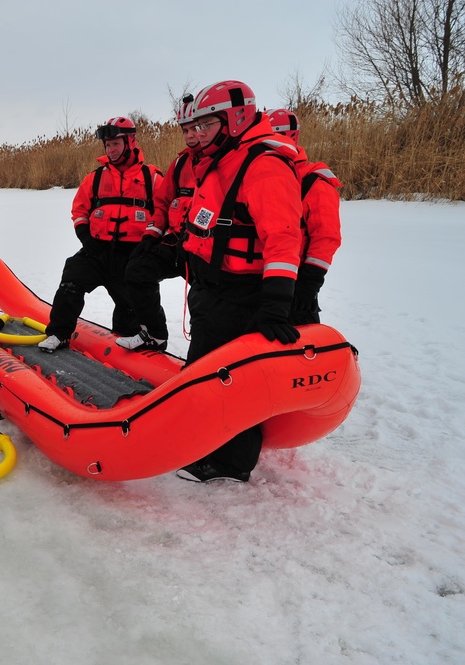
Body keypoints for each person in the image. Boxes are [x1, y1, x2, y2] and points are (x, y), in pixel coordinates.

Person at [172, 80, 304, 483]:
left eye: (208, 125)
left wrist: (276, 303)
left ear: (234, 119)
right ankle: (208, 444)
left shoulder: (262, 165)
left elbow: (282, 238)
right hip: (214, 292)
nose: (200, 134)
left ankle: (229, 463)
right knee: (205, 372)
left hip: (241, 295)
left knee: (229, 379)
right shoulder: (224, 160)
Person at [37, 117, 165, 353]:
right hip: (97, 249)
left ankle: (134, 344)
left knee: (132, 304)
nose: (111, 149)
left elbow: (164, 212)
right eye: (107, 145)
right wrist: (85, 237)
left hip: (133, 254)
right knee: (71, 280)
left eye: (115, 143)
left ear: (130, 142)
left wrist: (150, 242)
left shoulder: (153, 178)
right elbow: (79, 210)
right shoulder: (94, 178)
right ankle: (59, 334)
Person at [117, 98, 200, 349]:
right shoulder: (180, 164)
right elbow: (163, 203)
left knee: (203, 303)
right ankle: (154, 334)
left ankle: (206, 352)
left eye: (195, 128)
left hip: (206, 249)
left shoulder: (225, 165)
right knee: (137, 271)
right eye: (185, 130)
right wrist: (151, 235)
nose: (190, 136)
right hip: (176, 243)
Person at [266, 108, 343, 324]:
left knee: (299, 346)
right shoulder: (262, 178)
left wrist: (309, 283)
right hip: (262, 280)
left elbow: (326, 237)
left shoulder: (314, 184)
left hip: (297, 282)